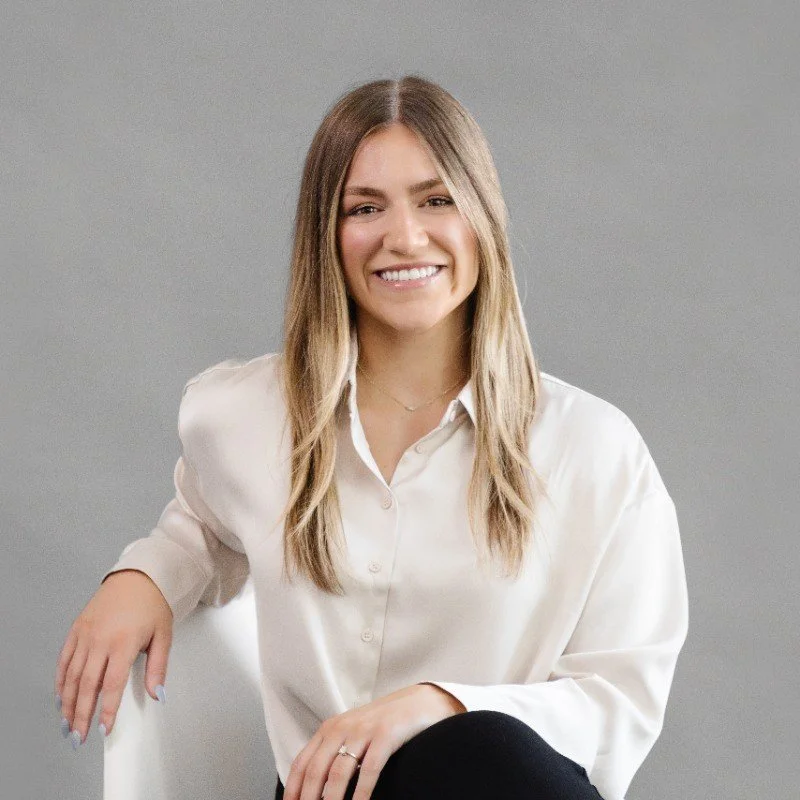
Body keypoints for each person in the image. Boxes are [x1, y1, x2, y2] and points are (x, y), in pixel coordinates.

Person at [54, 75, 689, 800]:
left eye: (436, 200)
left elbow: (621, 699)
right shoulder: (246, 417)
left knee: (482, 748)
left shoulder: (594, 451)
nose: (405, 237)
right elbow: (200, 527)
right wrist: (143, 578)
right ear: (327, 234)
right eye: (365, 207)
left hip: (497, 784)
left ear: (482, 217)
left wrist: (441, 705)